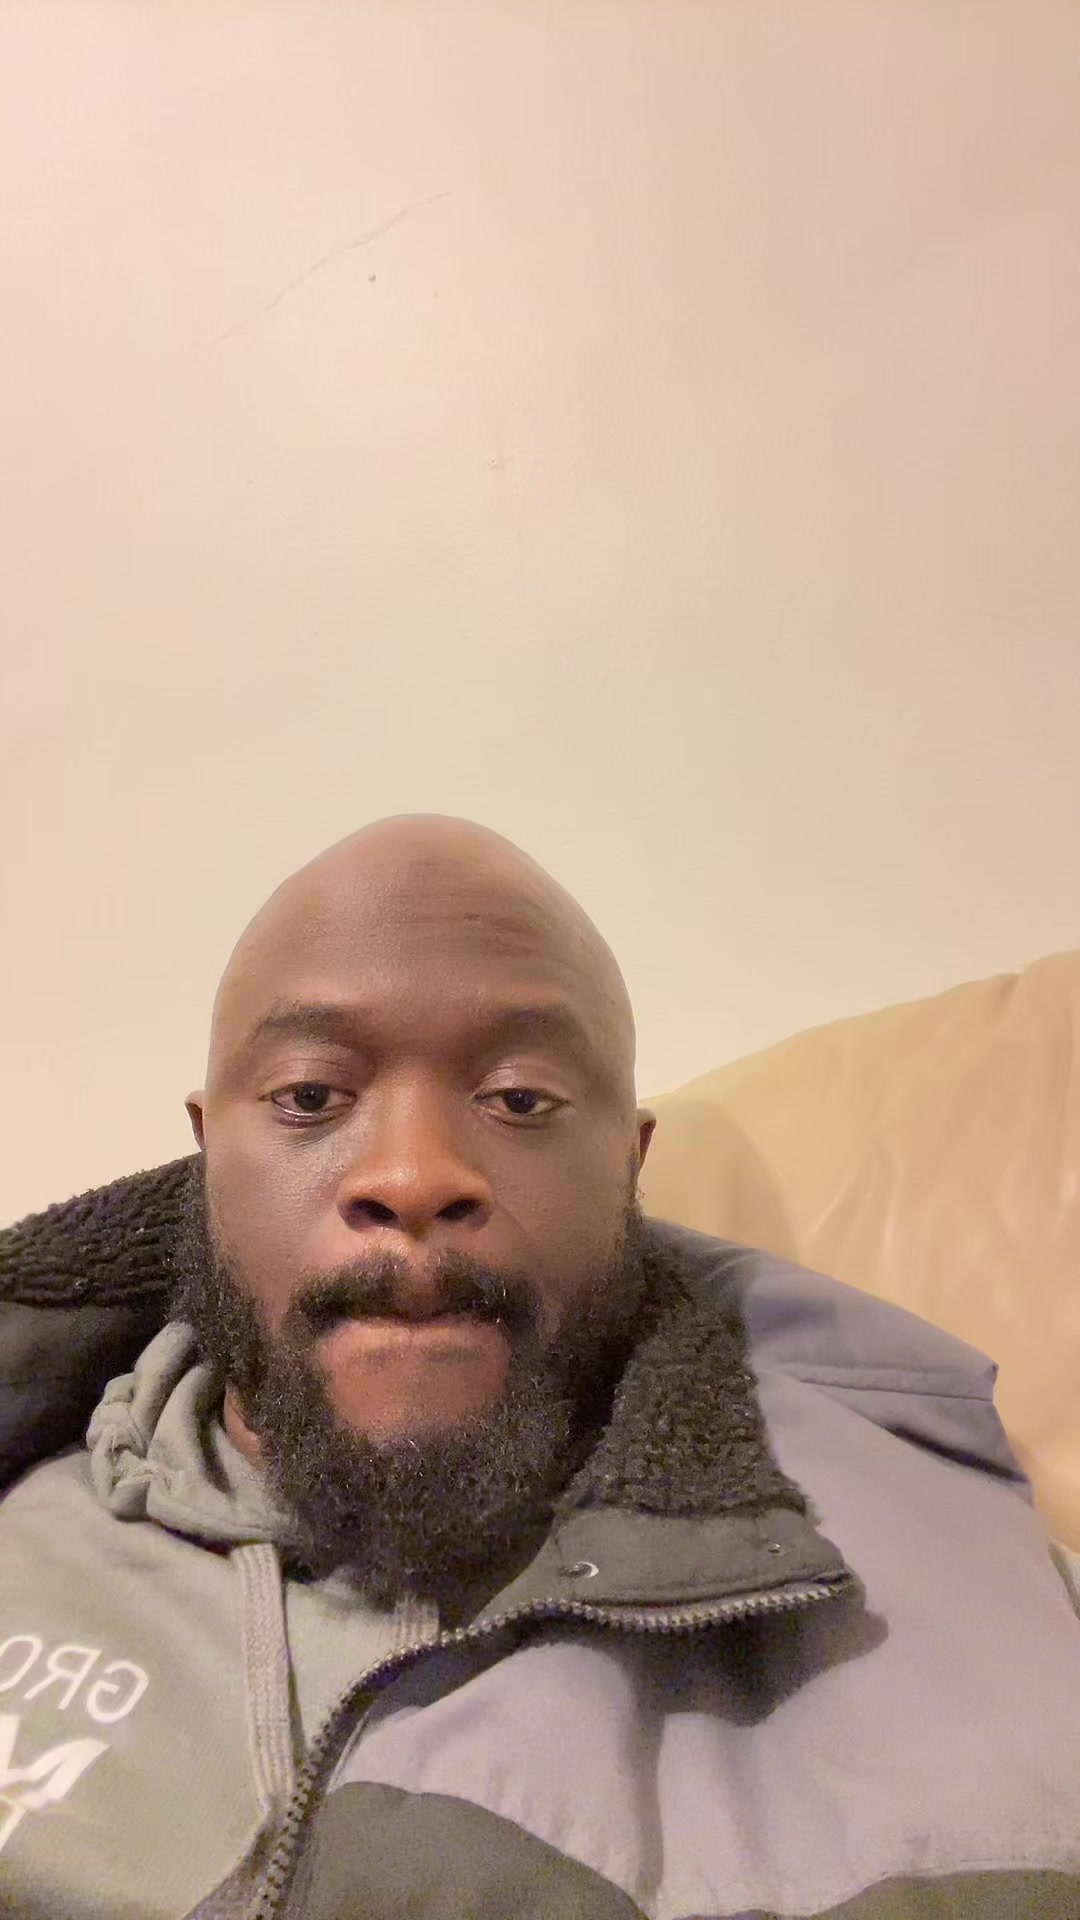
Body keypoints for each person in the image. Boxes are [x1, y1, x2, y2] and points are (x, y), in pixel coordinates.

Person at [0, 816, 1077, 1920]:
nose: (414, 1175)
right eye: (311, 1096)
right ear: (206, 1157)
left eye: (518, 1098)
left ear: (629, 1166)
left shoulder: (962, 1605)